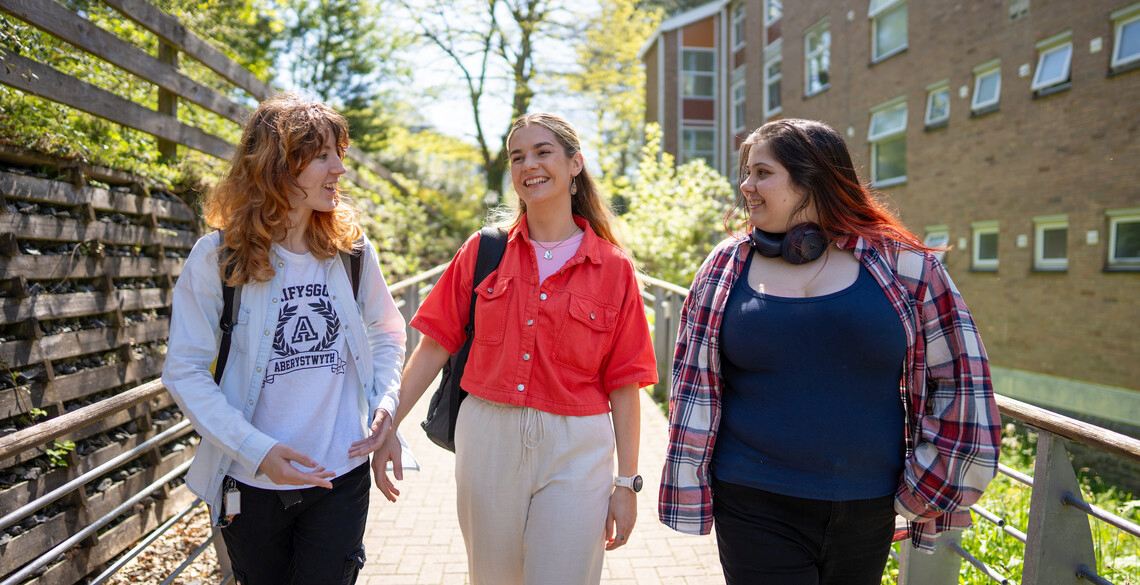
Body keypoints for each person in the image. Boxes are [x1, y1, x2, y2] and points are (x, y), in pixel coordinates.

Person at [659, 119, 1001, 585]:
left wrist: (924, 487)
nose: (746, 186)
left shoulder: (906, 267)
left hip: (869, 507)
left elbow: (962, 381)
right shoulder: (724, 266)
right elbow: (690, 383)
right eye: (746, 172)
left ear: (811, 177)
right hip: (752, 500)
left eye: (762, 173)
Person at [365, 112, 657, 585]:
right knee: (493, 578)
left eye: (543, 152)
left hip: (578, 447)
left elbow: (625, 385)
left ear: (574, 163)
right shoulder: (484, 251)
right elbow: (435, 345)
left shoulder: (613, 268)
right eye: (517, 156)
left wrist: (626, 484)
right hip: (488, 437)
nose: (529, 165)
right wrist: (388, 427)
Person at [161, 94, 406, 585]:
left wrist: (386, 404)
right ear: (275, 165)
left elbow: (386, 331)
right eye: (322, 156)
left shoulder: (351, 253)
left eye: (340, 152)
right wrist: (256, 450)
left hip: (342, 472)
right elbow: (184, 369)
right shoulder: (217, 258)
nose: (339, 168)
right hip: (250, 481)